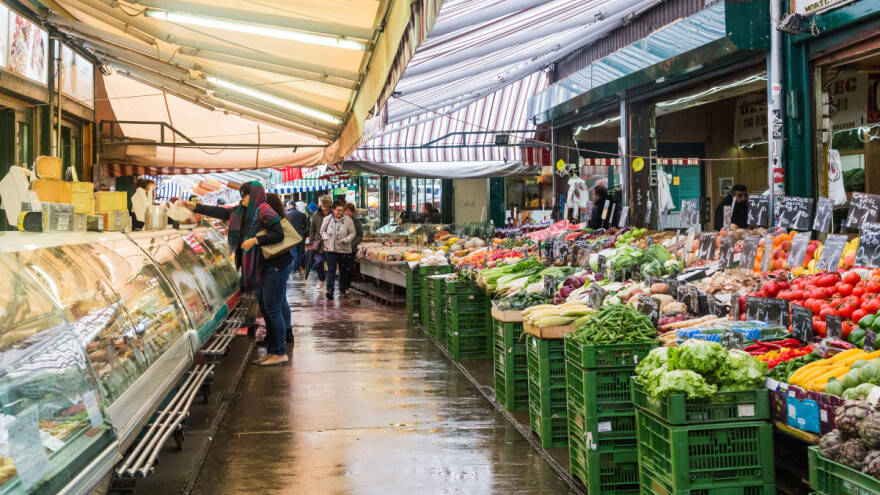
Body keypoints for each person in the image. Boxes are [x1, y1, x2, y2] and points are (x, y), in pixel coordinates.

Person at [180, 183, 293, 364]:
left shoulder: (264, 210)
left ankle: (280, 352)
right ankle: (272, 351)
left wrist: (256, 240)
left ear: (255, 195)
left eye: (246, 195)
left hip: (275, 265)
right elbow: (223, 213)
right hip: (261, 266)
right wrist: (195, 207)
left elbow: (278, 234)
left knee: (273, 309)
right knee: (265, 308)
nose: (243, 199)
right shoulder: (243, 212)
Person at [320, 201, 356, 299]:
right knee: (331, 269)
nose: (340, 212)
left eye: (341, 210)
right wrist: (326, 238)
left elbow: (353, 233)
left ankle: (343, 290)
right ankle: (330, 290)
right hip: (330, 248)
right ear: (333, 210)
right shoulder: (327, 219)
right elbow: (322, 231)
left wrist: (346, 240)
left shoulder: (348, 220)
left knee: (343, 270)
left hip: (344, 249)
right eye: (338, 210)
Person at [308, 195, 333, 289]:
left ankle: (330, 285)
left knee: (331, 265)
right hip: (319, 244)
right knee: (318, 261)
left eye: (325, 202)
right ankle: (321, 278)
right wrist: (311, 243)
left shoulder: (333, 214)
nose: (323, 203)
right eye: (322, 201)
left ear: (330, 204)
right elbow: (312, 229)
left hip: (331, 243)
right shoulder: (316, 214)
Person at [341, 202, 363, 295]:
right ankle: (341, 287)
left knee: (349, 268)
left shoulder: (356, 221)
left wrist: (354, 243)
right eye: (346, 211)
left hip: (352, 248)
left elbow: (360, 234)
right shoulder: (341, 220)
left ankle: (346, 287)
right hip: (341, 248)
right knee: (343, 267)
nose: (348, 213)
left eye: (350, 211)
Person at [286, 199, 310, 274]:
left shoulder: (287, 214)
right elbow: (307, 225)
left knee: (294, 252)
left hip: (292, 234)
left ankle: (295, 269)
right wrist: (302, 231)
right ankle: (301, 267)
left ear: (290, 205)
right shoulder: (301, 214)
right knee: (300, 251)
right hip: (300, 234)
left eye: (287, 206)